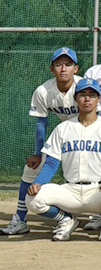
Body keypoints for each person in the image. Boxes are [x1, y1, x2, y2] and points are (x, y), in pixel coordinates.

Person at [24, 78, 101, 241]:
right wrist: (39, 182)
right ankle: (66, 220)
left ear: (98, 99)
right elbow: (52, 163)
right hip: (70, 191)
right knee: (32, 198)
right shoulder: (63, 128)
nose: (87, 99)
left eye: (92, 95)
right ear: (75, 99)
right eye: (82, 95)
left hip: (98, 191)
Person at [1, 48, 84, 236]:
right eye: (59, 64)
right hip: (62, 135)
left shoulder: (84, 87)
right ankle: (20, 220)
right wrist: (39, 153)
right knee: (30, 170)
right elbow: (42, 123)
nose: (63, 68)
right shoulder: (43, 91)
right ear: (51, 69)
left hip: (85, 136)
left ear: (76, 69)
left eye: (68, 64)